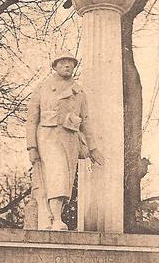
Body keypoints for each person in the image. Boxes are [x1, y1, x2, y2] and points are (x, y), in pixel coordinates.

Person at [26, 51, 104, 230]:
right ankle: (56, 219)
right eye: (63, 62)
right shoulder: (43, 88)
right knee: (57, 173)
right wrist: (31, 146)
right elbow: (32, 118)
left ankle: (49, 216)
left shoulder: (79, 92)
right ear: (55, 66)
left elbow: (85, 120)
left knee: (65, 178)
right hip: (48, 137)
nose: (68, 65)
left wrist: (92, 148)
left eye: (71, 62)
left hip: (70, 139)